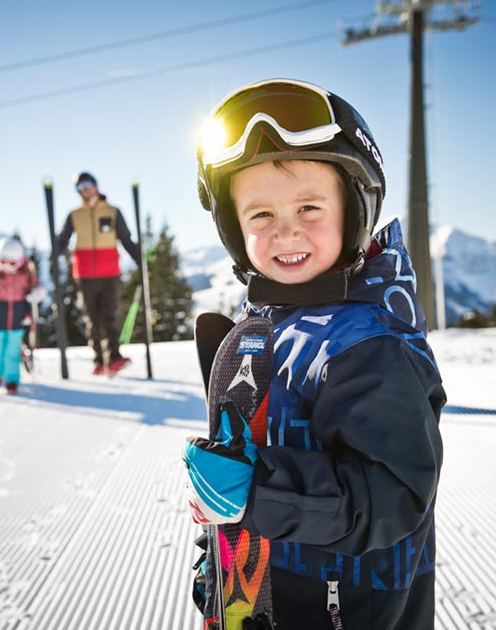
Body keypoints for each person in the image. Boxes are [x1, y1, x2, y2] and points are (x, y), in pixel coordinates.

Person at [182, 79, 447, 629]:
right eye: (259, 215)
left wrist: (255, 491)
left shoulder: (368, 345)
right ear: (234, 228)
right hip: (284, 595)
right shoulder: (278, 325)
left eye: (309, 206)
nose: (285, 231)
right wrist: (223, 549)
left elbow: (392, 496)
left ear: (354, 209)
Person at [51, 172, 142, 375]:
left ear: (95, 185)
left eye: (88, 184)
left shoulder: (112, 211)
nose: (85, 189)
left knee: (108, 316)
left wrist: (139, 259)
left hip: (110, 272)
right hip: (84, 274)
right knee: (92, 319)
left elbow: (126, 240)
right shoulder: (74, 215)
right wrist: (53, 259)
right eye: (80, 186)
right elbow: (63, 240)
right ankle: (100, 360)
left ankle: (115, 358)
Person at [0, 236, 41, 394]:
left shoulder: (25, 275)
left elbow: (36, 289)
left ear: (19, 261)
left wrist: (36, 294)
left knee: (13, 351)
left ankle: (12, 379)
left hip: (17, 319)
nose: (7, 266)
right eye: (3, 261)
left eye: (12, 263)